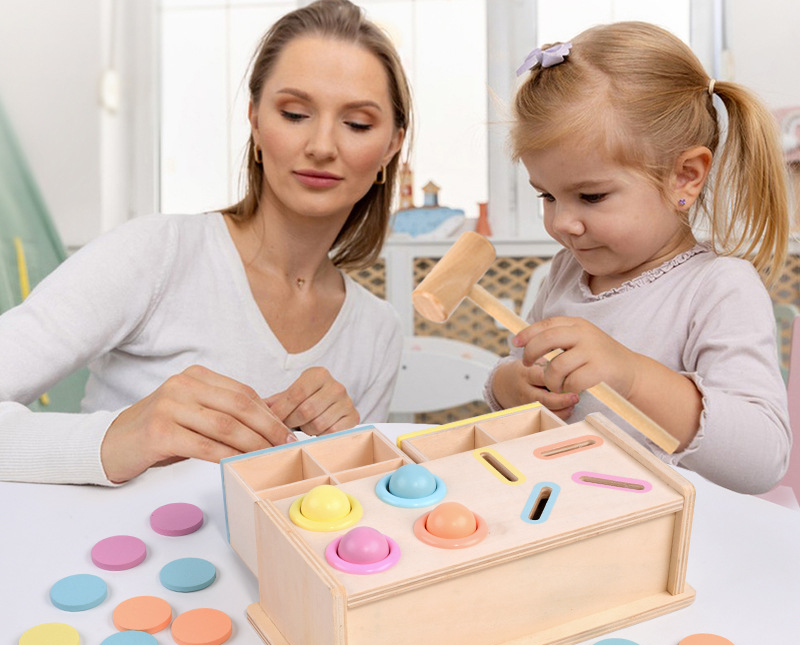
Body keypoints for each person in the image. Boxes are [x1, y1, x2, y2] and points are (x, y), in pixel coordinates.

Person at [0, 0, 410, 486]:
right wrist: (117, 438)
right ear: (256, 123)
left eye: (358, 124)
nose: (322, 145)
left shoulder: (377, 331)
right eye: (295, 113)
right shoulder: (157, 255)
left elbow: (352, 532)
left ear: (390, 147)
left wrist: (350, 459)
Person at [484, 21, 791, 494]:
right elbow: (524, 374)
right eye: (547, 195)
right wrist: (510, 386)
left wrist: (632, 377)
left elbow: (762, 459)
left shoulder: (719, 287)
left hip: (695, 543)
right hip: (578, 517)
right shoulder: (566, 273)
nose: (562, 223)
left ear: (685, 176)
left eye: (590, 196)